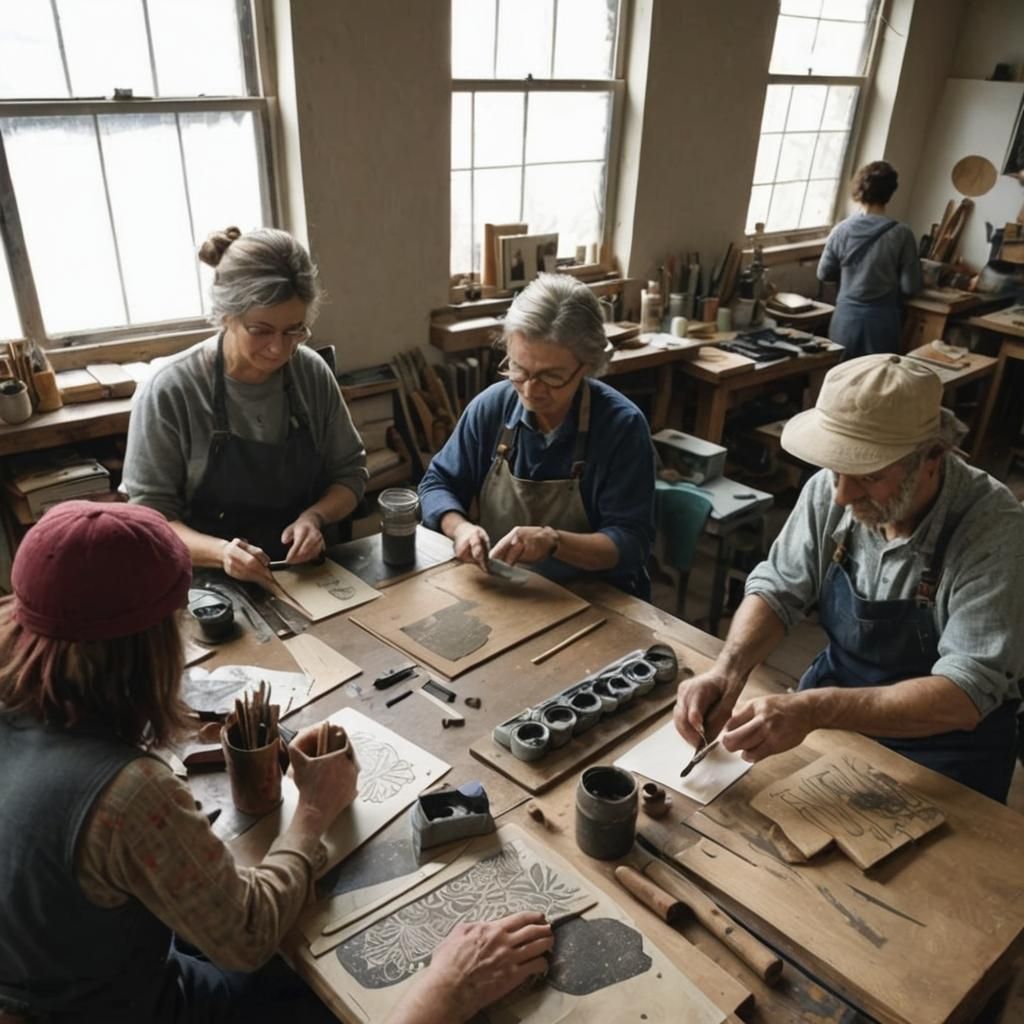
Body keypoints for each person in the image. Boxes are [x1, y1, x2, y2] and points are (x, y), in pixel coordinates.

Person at [0, 502, 553, 1024]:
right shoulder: (128, 794)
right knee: (306, 984)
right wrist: (312, 810)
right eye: (176, 622)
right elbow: (247, 939)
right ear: (144, 649)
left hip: (49, 971)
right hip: (119, 1009)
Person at [674, 355, 1024, 803]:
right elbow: (780, 588)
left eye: (869, 475)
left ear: (932, 457)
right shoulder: (835, 489)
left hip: (946, 745)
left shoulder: (994, 531)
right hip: (836, 702)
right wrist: (728, 671)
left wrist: (816, 707)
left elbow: (964, 695)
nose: (841, 494)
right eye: (836, 470)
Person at [122, 226, 367, 590]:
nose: (279, 349)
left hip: (304, 578)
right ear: (225, 315)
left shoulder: (310, 373)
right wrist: (221, 553)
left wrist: (315, 517)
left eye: (294, 330)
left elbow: (350, 474)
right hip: (205, 585)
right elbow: (150, 518)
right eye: (261, 330)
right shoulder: (170, 390)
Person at [418, 274, 656, 597]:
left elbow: (630, 542)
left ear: (587, 366)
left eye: (551, 376)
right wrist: (460, 529)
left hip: (597, 598)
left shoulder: (621, 428)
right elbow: (437, 484)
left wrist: (554, 542)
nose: (530, 390)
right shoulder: (492, 408)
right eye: (519, 369)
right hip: (509, 589)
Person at [817, 161, 923, 359]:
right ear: (890, 193)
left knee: (841, 379)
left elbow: (824, 273)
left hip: (845, 319)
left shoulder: (841, 230)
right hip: (882, 323)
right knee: (876, 382)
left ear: (859, 191)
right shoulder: (902, 234)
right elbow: (911, 286)